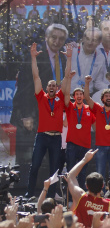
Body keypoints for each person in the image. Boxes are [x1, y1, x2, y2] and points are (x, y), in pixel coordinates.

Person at [11, 24, 68, 169]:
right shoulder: (35, 57)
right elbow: (24, 88)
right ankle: (26, 189)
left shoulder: (63, 58)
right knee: (29, 159)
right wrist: (26, 115)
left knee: (49, 159)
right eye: (54, 37)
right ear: (46, 37)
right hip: (31, 114)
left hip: (51, 114)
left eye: (61, 39)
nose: (57, 41)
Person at [25, 43, 72, 199]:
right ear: (46, 88)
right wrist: (33, 58)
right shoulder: (41, 97)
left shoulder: (59, 98)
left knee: (54, 169)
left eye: (54, 85)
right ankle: (30, 194)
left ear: (56, 88)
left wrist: (70, 58)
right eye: (49, 85)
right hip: (42, 136)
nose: (52, 87)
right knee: (35, 166)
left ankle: (51, 197)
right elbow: (36, 76)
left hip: (56, 138)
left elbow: (66, 77)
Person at [83, 73, 110, 178]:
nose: (108, 98)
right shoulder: (98, 109)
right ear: (102, 99)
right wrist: (87, 83)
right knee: (100, 173)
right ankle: (100, 193)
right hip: (101, 146)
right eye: (106, 96)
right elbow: (87, 98)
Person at [66, 149, 110, 228]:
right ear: (103, 186)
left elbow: (71, 176)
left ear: (86, 186)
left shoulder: (80, 196)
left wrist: (85, 159)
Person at [64, 64, 96, 191]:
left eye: (80, 94)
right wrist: (69, 79)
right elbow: (65, 94)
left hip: (85, 145)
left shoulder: (89, 109)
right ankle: (70, 194)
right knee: (71, 170)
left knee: (83, 172)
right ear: (74, 96)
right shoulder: (70, 107)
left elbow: (95, 126)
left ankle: (81, 194)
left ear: (83, 96)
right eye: (76, 94)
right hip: (72, 144)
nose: (78, 96)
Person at [69, 27, 106, 94]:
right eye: (87, 39)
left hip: (86, 97)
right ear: (83, 38)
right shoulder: (72, 50)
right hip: (69, 94)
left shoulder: (100, 58)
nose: (90, 43)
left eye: (94, 40)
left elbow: (98, 82)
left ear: (99, 42)